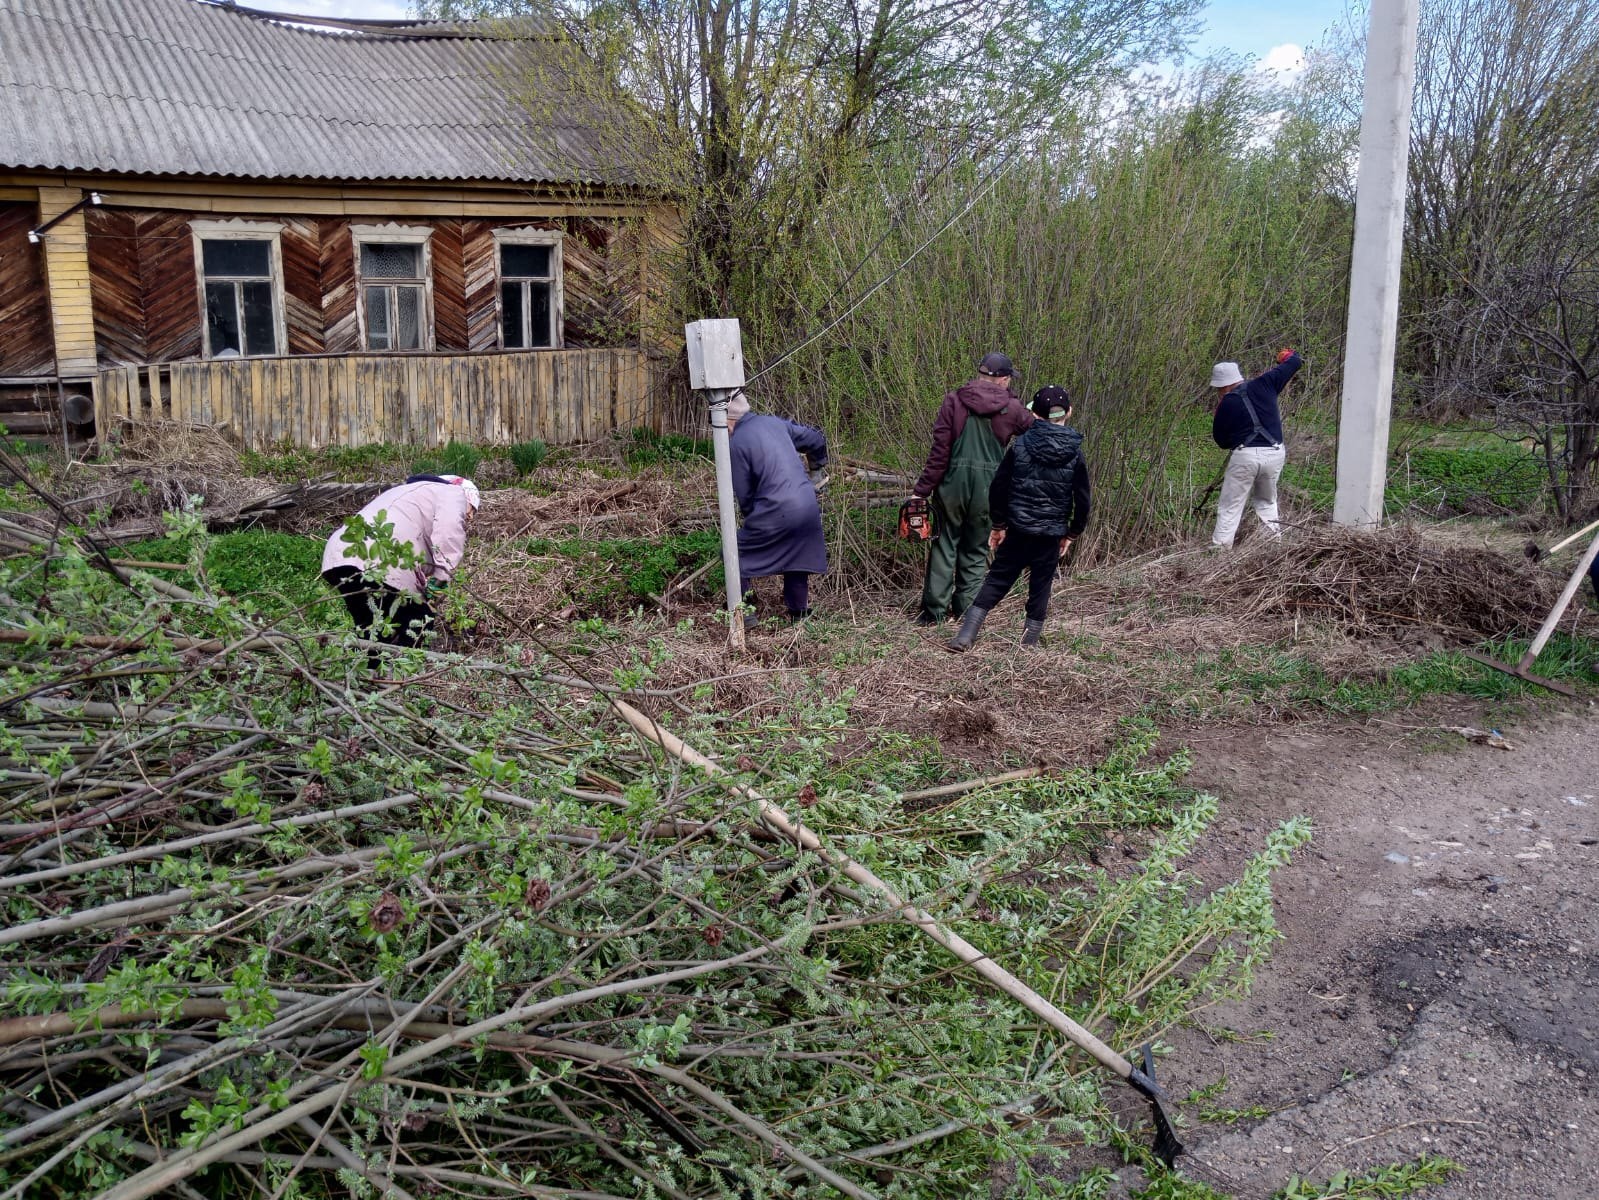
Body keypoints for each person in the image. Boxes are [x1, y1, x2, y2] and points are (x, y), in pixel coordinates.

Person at [948, 386, 1090, 652]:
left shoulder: (1021, 445)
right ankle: (1028, 644)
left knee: (996, 581)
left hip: (1019, 530)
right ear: (1069, 412)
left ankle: (965, 636)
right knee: (1040, 587)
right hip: (1050, 535)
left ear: (1034, 414)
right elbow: (1083, 500)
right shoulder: (1075, 453)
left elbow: (998, 488)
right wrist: (1072, 533)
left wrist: (999, 525)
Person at [910, 351, 1035, 625]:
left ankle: (933, 614)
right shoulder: (1013, 409)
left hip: (951, 484)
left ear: (981, 375)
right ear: (1002, 379)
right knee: (977, 548)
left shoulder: (954, 401)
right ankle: (967, 612)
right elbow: (1037, 435)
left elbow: (939, 452)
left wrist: (921, 490)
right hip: (989, 488)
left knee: (944, 545)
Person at [321, 472, 480, 667]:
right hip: (379, 559)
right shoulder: (452, 493)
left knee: (372, 628)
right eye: (471, 508)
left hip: (340, 555)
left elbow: (411, 534)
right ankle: (402, 678)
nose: (470, 516)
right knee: (421, 619)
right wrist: (441, 578)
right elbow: (448, 532)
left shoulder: (403, 492)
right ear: (465, 494)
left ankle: (363, 682)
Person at [727, 392, 829, 620]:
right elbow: (816, 439)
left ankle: (744, 614)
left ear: (727, 418)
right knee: (797, 553)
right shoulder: (775, 423)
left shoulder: (737, 443)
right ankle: (799, 614)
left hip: (775, 510)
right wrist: (816, 469)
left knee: (733, 552)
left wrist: (754, 521)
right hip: (807, 506)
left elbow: (745, 495)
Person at [1209, 348, 1303, 547]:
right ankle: (1273, 549)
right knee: (1267, 503)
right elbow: (1295, 362)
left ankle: (1219, 551)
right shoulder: (1266, 383)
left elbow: (1221, 441)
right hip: (1275, 453)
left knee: (1230, 507)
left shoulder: (1226, 403)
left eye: (1218, 388)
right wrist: (1286, 356)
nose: (1218, 392)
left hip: (1245, 456)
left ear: (1224, 386)